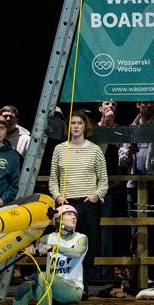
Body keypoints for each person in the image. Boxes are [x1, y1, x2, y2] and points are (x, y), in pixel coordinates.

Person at [0, 204, 89, 305]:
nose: (73, 217)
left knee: (42, 276)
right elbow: (36, 246)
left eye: (75, 215)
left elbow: (77, 252)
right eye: (69, 214)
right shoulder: (48, 238)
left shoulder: (81, 238)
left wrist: (54, 247)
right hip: (49, 290)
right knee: (25, 287)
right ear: (58, 220)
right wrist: (30, 247)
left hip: (72, 289)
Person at [50, 111, 109, 262]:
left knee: (88, 246)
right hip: (67, 204)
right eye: (73, 123)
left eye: (79, 123)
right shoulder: (59, 149)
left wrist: (96, 196)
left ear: (85, 126)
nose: (76, 126)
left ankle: (86, 277)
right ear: (68, 127)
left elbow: (103, 180)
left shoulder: (95, 150)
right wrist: (57, 196)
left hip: (88, 204)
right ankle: (67, 277)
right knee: (65, 245)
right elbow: (53, 179)